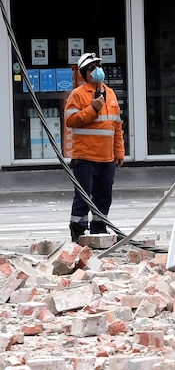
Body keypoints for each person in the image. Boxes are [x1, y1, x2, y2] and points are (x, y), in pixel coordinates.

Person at [64, 52, 125, 242]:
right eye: (92, 68)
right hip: (84, 157)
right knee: (83, 197)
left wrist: (119, 151)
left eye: (99, 66)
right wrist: (93, 109)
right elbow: (70, 120)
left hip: (106, 158)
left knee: (104, 196)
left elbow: (116, 125)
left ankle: (99, 228)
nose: (97, 70)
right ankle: (78, 230)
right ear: (84, 72)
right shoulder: (78, 95)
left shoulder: (111, 93)